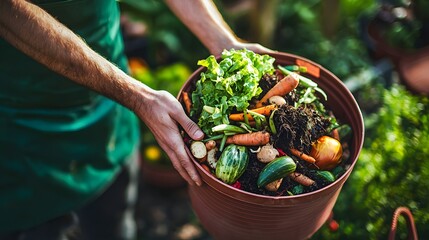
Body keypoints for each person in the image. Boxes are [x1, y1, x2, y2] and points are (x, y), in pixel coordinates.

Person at [0, 0, 271, 239]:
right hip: (24, 121)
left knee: (114, 219)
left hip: (110, 92)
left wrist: (221, 40)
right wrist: (137, 97)